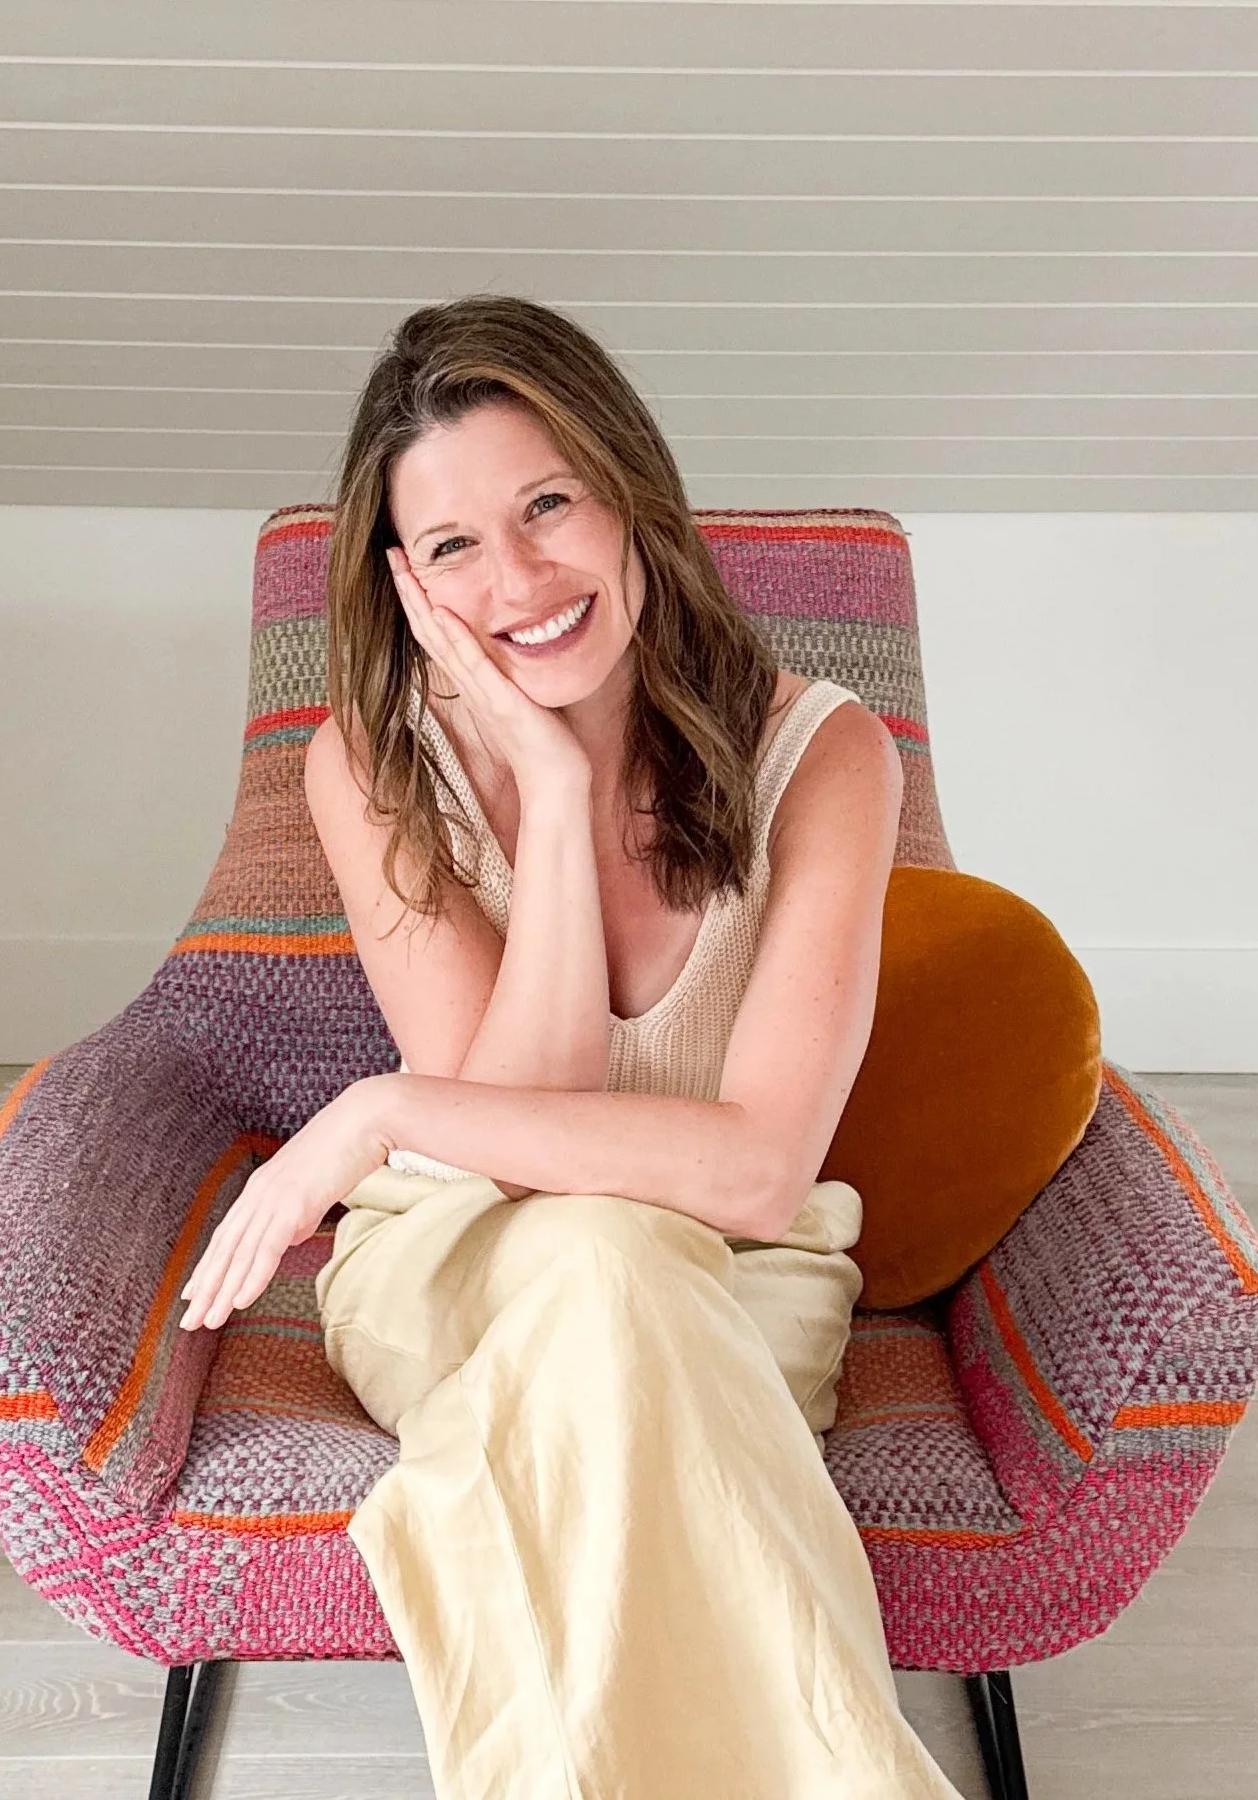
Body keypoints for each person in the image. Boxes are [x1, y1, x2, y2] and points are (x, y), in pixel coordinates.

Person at [178, 295, 966, 1799]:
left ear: (630, 496)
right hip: (454, 1263)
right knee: (593, 1256)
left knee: (616, 1268)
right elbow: (513, 1137)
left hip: (729, 1281)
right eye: (460, 547)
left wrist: (379, 1112)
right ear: (406, 585)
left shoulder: (828, 759)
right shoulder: (370, 763)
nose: (522, 579)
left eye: (549, 504)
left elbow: (751, 1174)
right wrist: (544, 788)